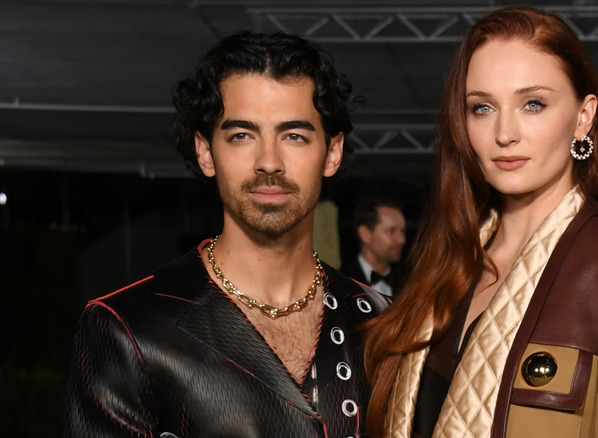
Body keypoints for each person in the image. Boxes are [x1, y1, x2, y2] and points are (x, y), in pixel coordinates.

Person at [363, 6, 598, 437]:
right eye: (482, 108)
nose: (505, 133)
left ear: (583, 117)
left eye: (533, 104)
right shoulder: (444, 267)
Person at [64, 31, 387, 437]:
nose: (269, 162)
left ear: (332, 152)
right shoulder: (129, 327)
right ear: (205, 151)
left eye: (294, 136)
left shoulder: (385, 325)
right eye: (241, 136)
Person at [341, 198, 407, 297]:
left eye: (402, 231)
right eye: (391, 231)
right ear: (365, 234)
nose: (402, 239)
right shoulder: (341, 283)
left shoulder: (409, 281)